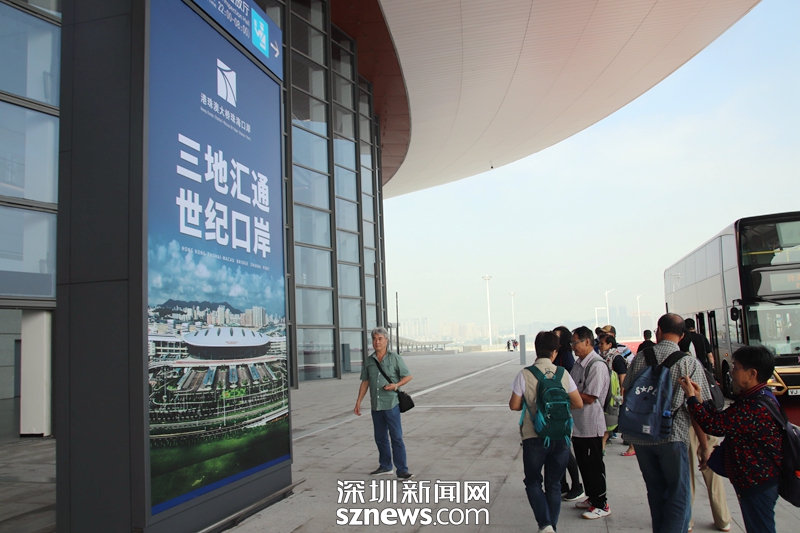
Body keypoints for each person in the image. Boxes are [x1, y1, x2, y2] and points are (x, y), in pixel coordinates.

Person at [622, 313, 711, 533]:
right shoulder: (688, 363)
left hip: (641, 437)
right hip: (672, 436)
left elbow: (628, 393)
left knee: (655, 491)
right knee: (678, 494)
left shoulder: (640, 358)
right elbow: (697, 409)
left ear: (658, 331)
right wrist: (704, 445)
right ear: (682, 336)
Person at [681, 345, 783, 533]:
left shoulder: (754, 406)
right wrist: (700, 400)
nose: (731, 372)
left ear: (752, 373)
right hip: (757, 479)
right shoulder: (757, 397)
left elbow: (714, 426)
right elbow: (724, 419)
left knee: (761, 528)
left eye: (736, 367)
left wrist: (691, 399)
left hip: (757, 481)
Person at [509, 331, 583, 533]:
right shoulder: (563, 374)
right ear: (555, 351)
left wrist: (532, 404)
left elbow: (514, 405)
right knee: (554, 485)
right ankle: (552, 527)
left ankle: (545, 525)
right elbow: (578, 403)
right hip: (560, 436)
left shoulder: (525, 374)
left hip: (534, 436)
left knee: (533, 481)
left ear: (536, 349)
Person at [677, 334, 731, 532]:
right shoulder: (698, 363)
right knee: (713, 473)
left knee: (688, 474)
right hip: (707, 422)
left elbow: (694, 408)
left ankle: (688, 520)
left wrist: (704, 445)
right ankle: (723, 519)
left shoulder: (681, 366)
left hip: (691, 425)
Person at [354, 327, 414, 479]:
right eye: (374, 339)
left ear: (386, 341)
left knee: (396, 437)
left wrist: (396, 385)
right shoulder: (369, 361)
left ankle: (402, 470)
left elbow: (408, 376)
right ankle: (385, 466)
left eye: (380, 339)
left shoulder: (395, 358)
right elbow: (365, 382)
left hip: (391, 404)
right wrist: (358, 402)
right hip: (376, 405)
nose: (377, 342)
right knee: (380, 437)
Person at [569, 326, 611, 519]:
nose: (573, 347)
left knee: (593, 465)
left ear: (587, 341)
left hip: (591, 424)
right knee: (584, 463)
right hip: (578, 424)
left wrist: (567, 396)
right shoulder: (579, 364)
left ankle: (601, 503)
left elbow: (590, 397)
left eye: (575, 343)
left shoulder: (596, 365)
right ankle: (592, 497)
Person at [552, 326, 582, 501]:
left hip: (562, 406)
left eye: (557, 336)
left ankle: (576, 485)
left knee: (563, 448)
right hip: (555, 406)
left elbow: (570, 382)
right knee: (557, 448)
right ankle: (562, 484)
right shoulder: (556, 355)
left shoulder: (566, 357)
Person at [597, 334, 627, 453]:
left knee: (610, 417)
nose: (600, 346)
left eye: (602, 343)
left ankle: (603, 443)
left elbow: (622, 377)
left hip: (613, 393)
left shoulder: (616, 358)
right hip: (604, 391)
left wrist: (621, 395)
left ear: (610, 345)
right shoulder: (602, 357)